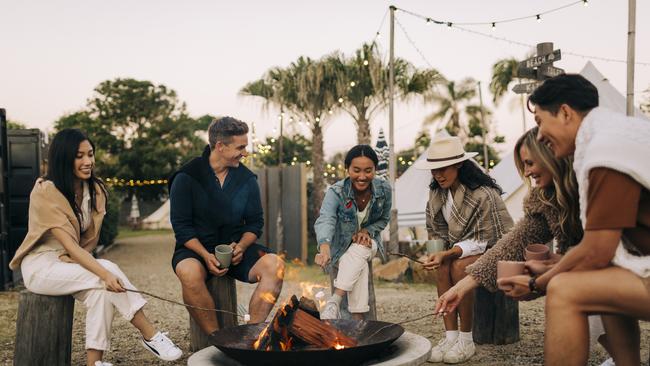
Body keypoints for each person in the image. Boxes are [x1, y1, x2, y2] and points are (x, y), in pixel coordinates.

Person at [498, 74, 650, 366]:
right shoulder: (616, 135)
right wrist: (558, 264)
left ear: (565, 113)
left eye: (540, 121)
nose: (539, 135)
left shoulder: (607, 148)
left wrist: (537, 283)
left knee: (564, 290)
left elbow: (596, 251)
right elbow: (604, 250)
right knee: (594, 277)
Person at [9, 129, 182, 366]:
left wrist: (91, 266)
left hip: (70, 261)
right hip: (41, 265)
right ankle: (150, 334)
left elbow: (86, 241)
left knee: (101, 292)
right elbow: (69, 243)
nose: (88, 161)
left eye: (90, 154)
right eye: (79, 156)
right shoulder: (46, 191)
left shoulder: (95, 190)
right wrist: (103, 272)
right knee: (106, 271)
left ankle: (94, 363)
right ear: (63, 158)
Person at [169, 116, 284, 335]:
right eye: (240, 147)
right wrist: (205, 255)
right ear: (220, 146)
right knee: (188, 272)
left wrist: (241, 246)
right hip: (196, 250)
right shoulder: (186, 177)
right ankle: (217, 340)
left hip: (235, 248)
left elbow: (255, 222)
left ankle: (252, 337)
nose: (245, 153)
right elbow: (182, 228)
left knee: (274, 266)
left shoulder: (247, 179)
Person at [417, 136, 514, 364]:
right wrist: (436, 253)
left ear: (459, 164)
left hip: (494, 249)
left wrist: (448, 253)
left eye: (443, 169)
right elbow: (436, 232)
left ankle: (466, 339)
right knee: (443, 265)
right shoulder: (437, 194)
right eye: (434, 170)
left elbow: (483, 241)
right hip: (459, 249)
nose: (438, 175)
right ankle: (450, 336)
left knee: (461, 266)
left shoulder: (482, 194)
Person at [314, 145, 391, 320]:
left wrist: (367, 230)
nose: (362, 177)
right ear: (347, 169)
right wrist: (324, 247)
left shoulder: (384, 190)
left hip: (369, 243)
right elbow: (326, 218)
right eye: (356, 170)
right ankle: (359, 324)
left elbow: (384, 219)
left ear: (375, 170)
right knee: (360, 267)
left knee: (361, 246)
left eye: (368, 171)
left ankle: (334, 300)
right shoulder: (336, 191)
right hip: (340, 248)